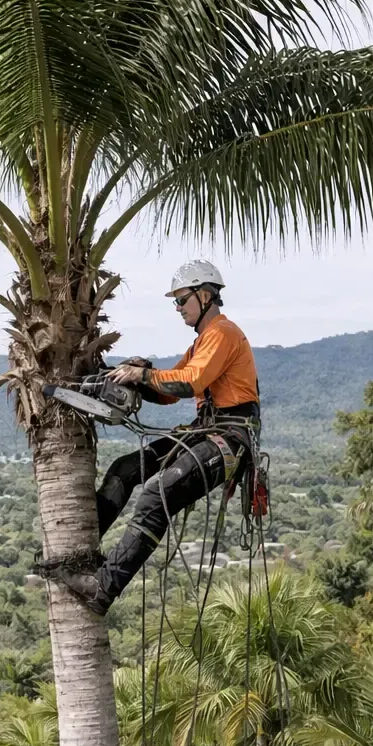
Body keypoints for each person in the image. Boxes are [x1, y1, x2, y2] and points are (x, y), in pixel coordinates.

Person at [44, 259, 261, 614]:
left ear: (205, 296)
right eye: (175, 302)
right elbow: (169, 392)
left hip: (229, 437)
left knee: (156, 495)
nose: (177, 308)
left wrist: (142, 376)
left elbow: (188, 383)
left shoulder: (223, 333)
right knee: (125, 469)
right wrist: (136, 377)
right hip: (206, 431)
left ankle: (103, 587)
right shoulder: (202, 343)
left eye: (182, 300)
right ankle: (84, 551)